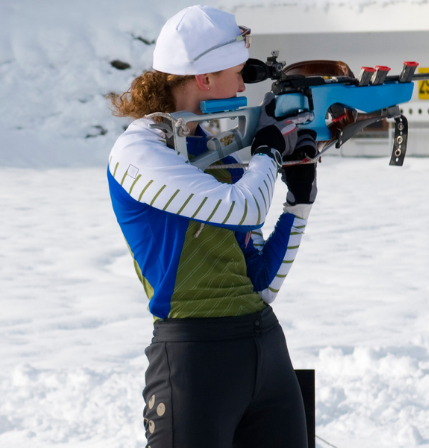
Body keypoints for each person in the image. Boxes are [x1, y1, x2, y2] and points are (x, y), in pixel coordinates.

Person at [105, 5, 319, 447]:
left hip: (265, 348)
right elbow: (246, 209)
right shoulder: (137, 153)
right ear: (203, 78)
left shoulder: (216, 151)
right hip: (193, 360)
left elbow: (258, 285)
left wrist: (299, 201)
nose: (243, 85)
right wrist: (267, 150)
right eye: (237, 72)